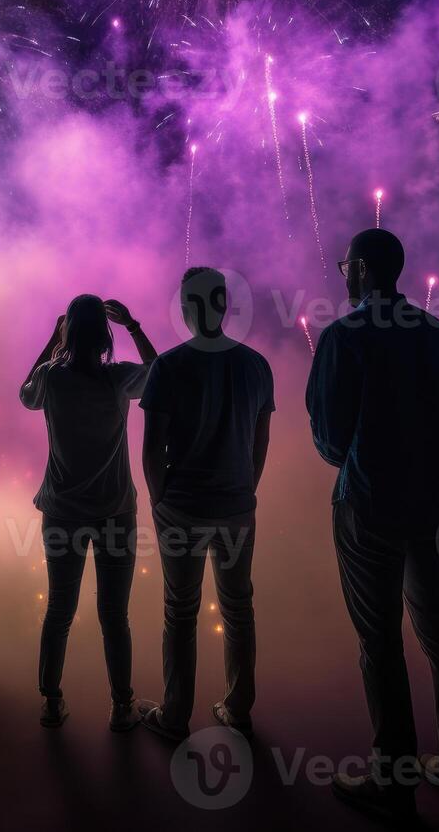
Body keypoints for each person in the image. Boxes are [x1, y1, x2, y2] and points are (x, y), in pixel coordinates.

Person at [305, 229, 439, 823]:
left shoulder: (343, 336)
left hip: (370, 503)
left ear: (358, 272)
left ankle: (392, 777)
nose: (341, 272)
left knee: (379, 641)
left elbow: (330, 441)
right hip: (434, 504)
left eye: (344, 265)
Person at [137, 267, 274, 740]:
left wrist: (159, 502)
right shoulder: (257, 365)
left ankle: (175, 716)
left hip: (183, 508)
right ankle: (238, 707)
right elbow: (260, 445)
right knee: (239, 608)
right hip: (237, 507)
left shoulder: (170, 366)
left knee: (181, 611)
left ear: (186, 307)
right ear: (224, 304)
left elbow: (152, 448)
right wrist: (244, 490)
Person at [19, 295, 158, 731]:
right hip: (115, 510)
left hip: (61, 511)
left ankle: (51, 700)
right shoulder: (117, 379)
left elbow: (26, 395)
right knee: (114, 613)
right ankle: (121, 705)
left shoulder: (51, 379)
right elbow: (161, 375)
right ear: (104, 336)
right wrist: (134, 326)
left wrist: (51, 340)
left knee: (59, 607)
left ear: (69, 334)